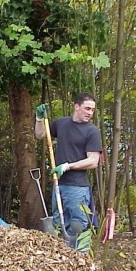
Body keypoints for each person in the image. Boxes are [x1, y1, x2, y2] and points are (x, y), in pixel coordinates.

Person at [34, 92, 102, 236]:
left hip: (77, 187)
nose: (90, 113)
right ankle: (62, 256)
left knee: (78, 225)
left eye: (92, 110)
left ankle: (79, 256)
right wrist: (39, 118)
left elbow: (93, 161)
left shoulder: (92, 131)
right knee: (58, 223)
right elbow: (40, 135)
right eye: (87, 108)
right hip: (59, 184)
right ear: (76, 106)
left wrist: (67, 166)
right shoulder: (61, 124)